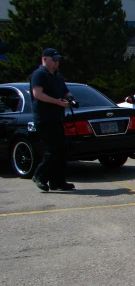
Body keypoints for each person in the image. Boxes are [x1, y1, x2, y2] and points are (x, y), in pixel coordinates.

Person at [29, 48, 75, 191]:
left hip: (57, 117)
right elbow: (37, 94)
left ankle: (58, 182)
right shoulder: (39, 74)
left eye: (58, 60)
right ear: (44, 59)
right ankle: (39, 175)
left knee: (62, 150)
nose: (56, 63)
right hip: (44, 118)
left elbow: (66, 91)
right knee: (53, 149)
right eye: (53, 60)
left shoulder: (57, 76)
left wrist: (70, 99)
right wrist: (57, 102)